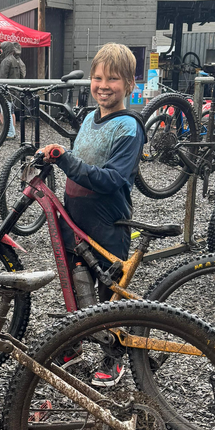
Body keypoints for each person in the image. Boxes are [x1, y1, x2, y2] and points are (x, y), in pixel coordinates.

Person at [38, 42, 145, 388]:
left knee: (108, 294)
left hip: (109, 223)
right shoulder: (89, 119)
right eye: (97, 78)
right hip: (77, 218)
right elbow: (81, 159)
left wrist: (66, 159)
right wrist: (56, 158)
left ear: (130, 84)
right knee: (73, 282)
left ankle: (113, 357)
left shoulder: (130, 128)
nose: (102, 86)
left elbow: (112, 179)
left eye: (113, 79)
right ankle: (73, 345)